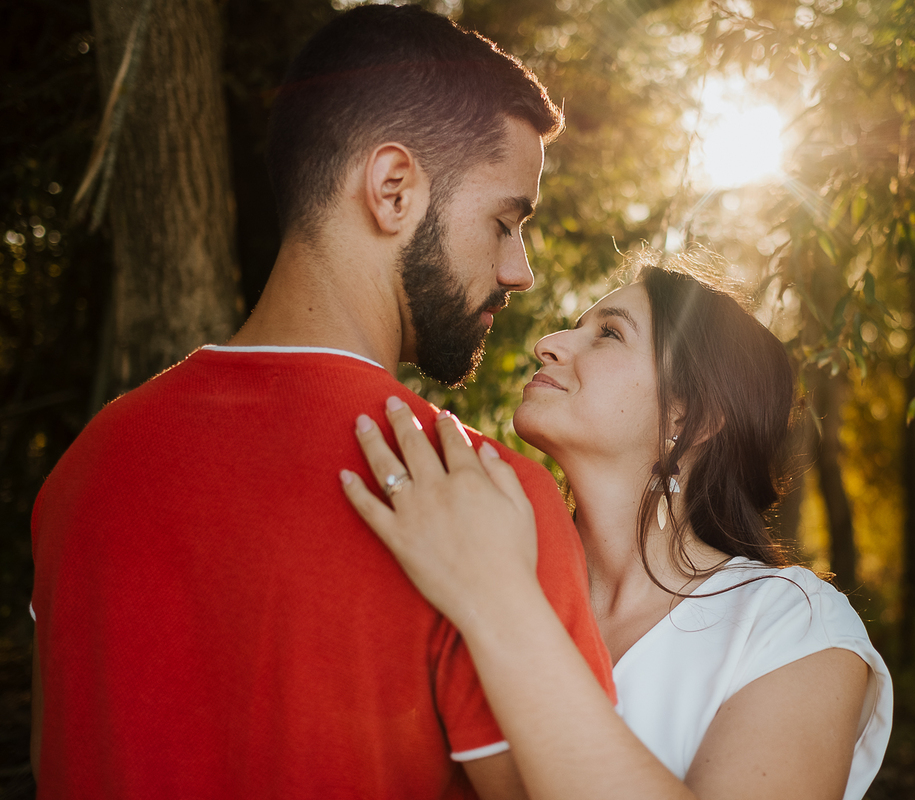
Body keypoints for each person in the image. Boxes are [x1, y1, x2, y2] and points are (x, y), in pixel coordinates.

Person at [29, 5, 614, 798]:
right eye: (505, 222)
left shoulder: (84, 471)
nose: (520, 271)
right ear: (393, 189)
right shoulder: (485, 498)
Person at [342, 254, 894, 800]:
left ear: (688, 415)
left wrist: (498, 601)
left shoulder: (793, 623)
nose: (548, 343)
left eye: (608, 334)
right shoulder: (474, 557)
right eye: (577, 326)